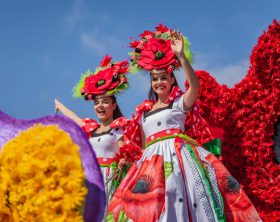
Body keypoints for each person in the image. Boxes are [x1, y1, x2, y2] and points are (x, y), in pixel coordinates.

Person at [106, 25, 262, 222]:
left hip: (179, 162)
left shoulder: (179, 103)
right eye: (155, 79)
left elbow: (194, 86)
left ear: (172, 80)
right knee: (145, 209)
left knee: (180, 198)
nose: (159, 82)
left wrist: (181, 56)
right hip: (150, 167)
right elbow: (144, 146)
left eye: (164, 77)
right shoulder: (143, 112)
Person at [55, 55, 132, 205]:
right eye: (97, 103)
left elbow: (125, 154)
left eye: (105, 102)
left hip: (111, 178)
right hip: (92, 178)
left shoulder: (117, 128)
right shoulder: (92, 128)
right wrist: (59, 105)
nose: (100, 106)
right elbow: (74, 118)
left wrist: (123, 161)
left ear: (113, 105)